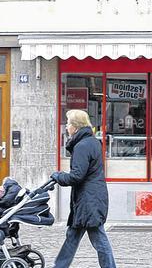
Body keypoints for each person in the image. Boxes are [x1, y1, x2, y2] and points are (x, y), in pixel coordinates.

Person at [50, 109, 116, 268]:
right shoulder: (92, 142)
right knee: (72, 236)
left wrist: (58, 176)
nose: (66, 127)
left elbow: (76, 176)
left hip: (88, 200)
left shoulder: (82, 146)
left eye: (68, 123)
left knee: (99, 239)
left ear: (76, 126)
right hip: (90, 197)